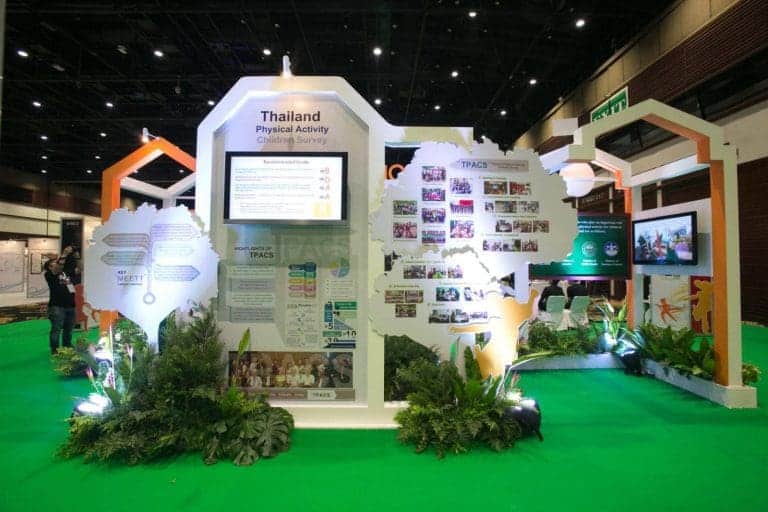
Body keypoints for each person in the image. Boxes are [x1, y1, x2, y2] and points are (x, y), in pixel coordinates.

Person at [44, 255, 77, 354]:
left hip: (70, 305)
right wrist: (64, 254)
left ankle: (67, 345)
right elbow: (56, 269)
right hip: (57, 306)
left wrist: (76, 256)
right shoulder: (49, 275)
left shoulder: (64, 274)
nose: (58, 264)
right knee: (56, 329)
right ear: (50, 267)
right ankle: (55, 349)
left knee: (69, 328)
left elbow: (71, 287)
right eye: (54, 263)